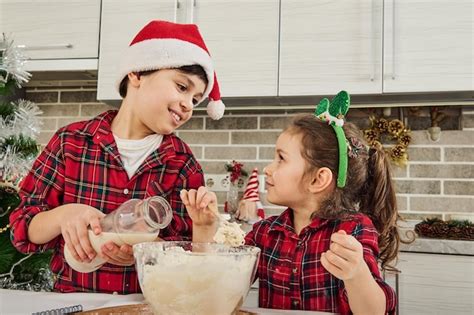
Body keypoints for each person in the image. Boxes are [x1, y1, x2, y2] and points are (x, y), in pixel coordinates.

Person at [9, 20, 225, 294]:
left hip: (145, 306)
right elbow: (22, 228)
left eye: (196, 100)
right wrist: (65, 215)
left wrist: (146, 249)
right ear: (136, 74)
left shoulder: (182, 163)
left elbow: (185, 250)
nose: (188, 105)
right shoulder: (71, 143)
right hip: (74, 302)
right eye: (182, 87)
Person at [181, 91, 400, 314]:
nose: (268, 168)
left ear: (318, 179)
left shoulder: (353, 230)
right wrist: (203, 230)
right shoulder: (265, 233)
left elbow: (376, 311)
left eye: (281, 158)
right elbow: (217, 293)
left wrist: (357, 274)